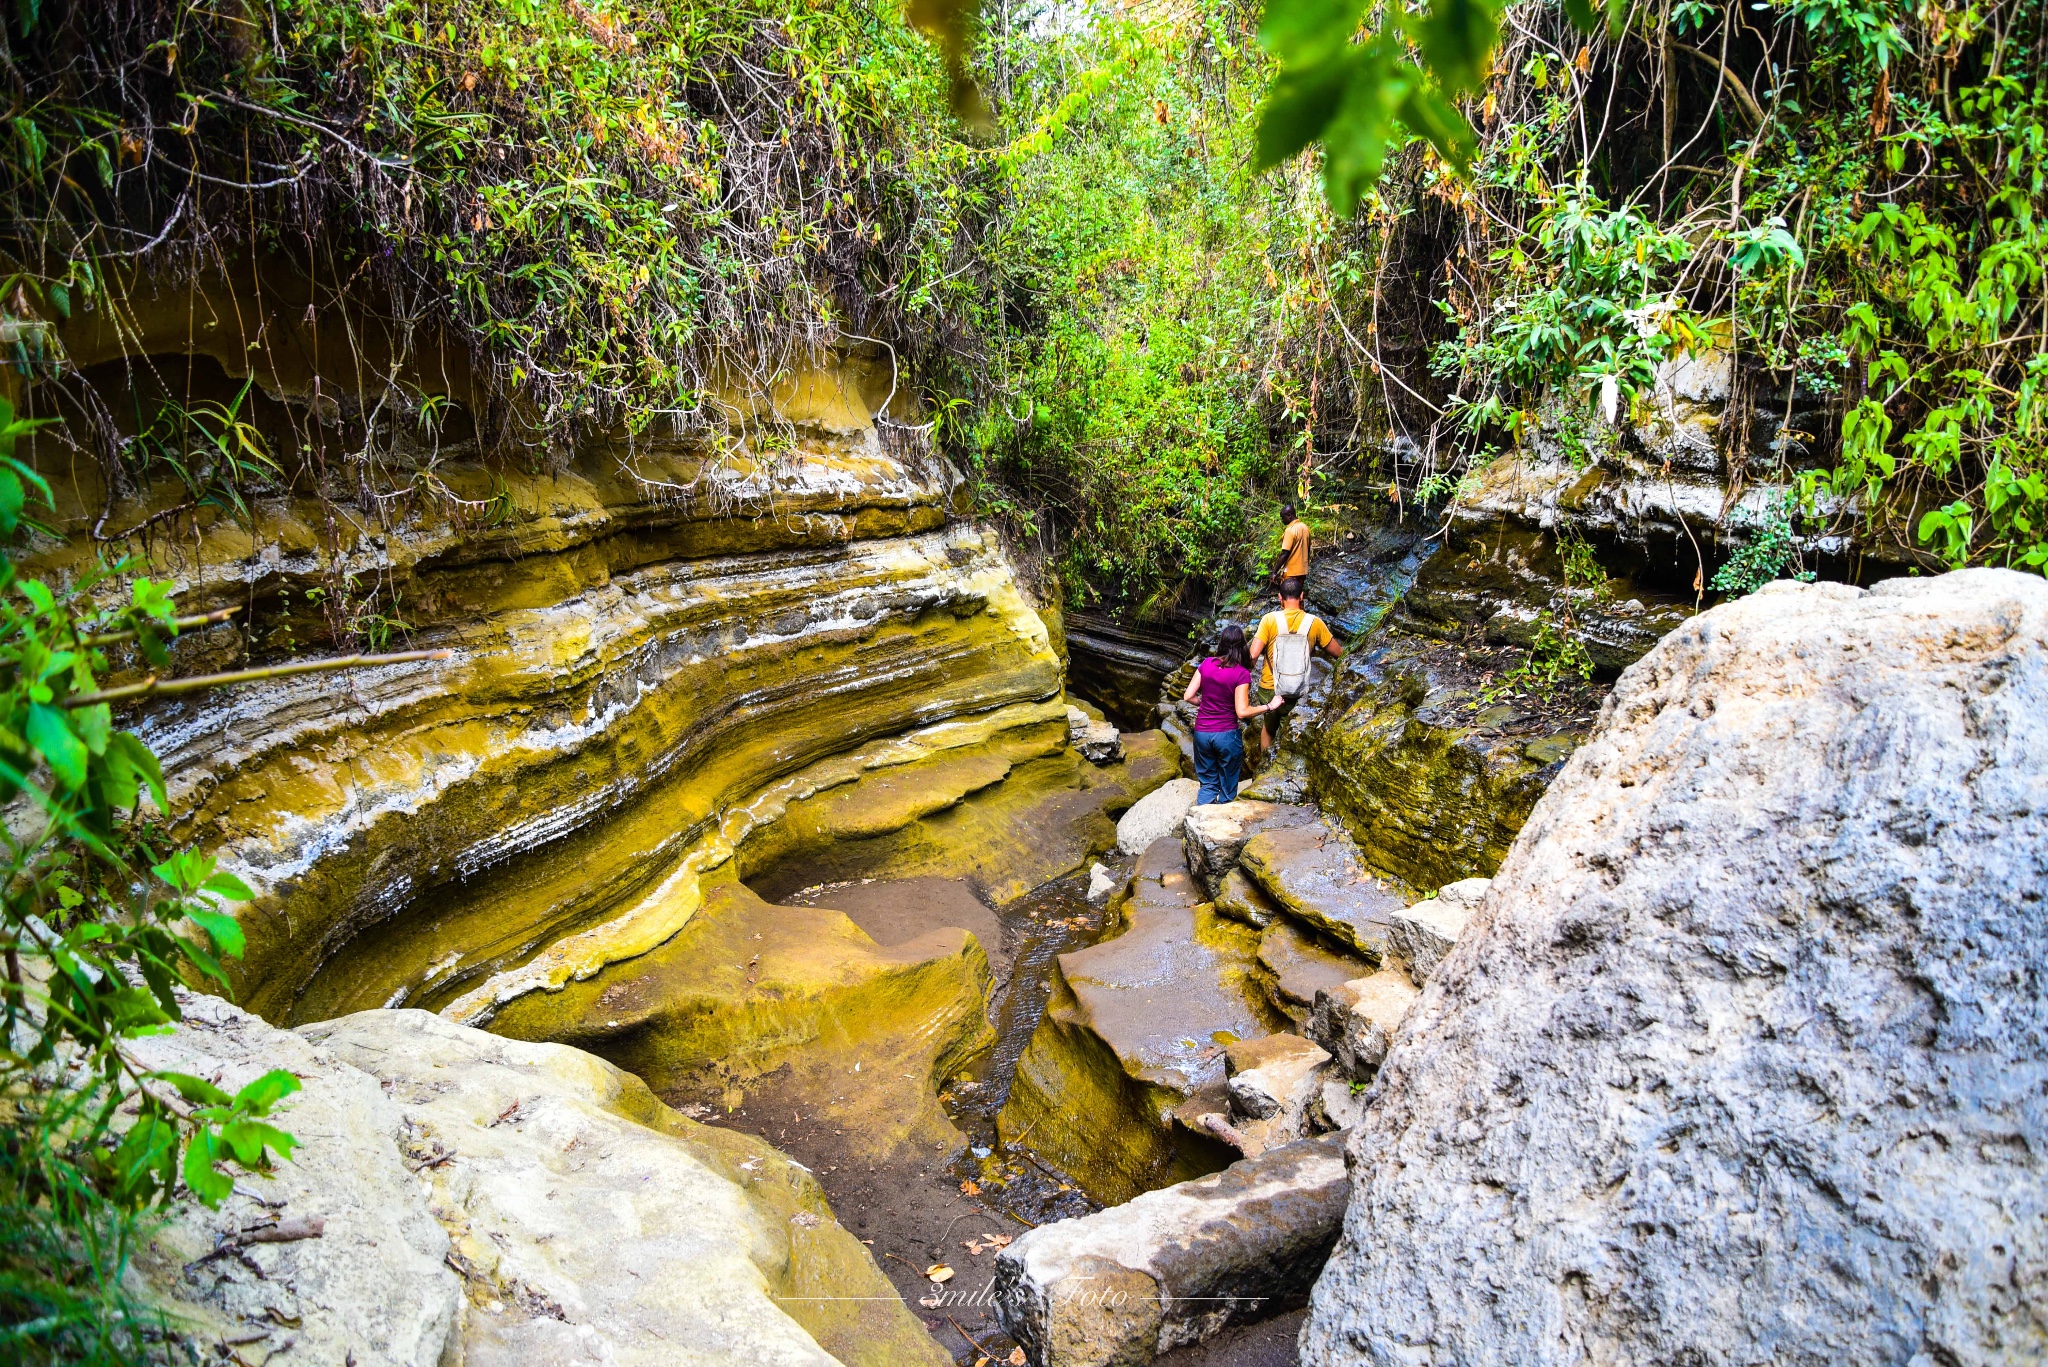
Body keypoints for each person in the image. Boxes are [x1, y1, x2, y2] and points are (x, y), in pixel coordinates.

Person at [1249, 576, 1343, 762]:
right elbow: (1339, 653)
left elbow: (1253, 656)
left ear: (1279, 598)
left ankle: (1264, 770)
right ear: (1302, 596)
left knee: (1268, 729)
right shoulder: (1314, 623)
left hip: (1270, 689)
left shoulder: (1269, 620)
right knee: (1289, 733)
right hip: (1297, 691)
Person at [1182, 623, 1272, 805]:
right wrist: (1269, 706)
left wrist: (1204, 702)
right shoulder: (1241, 674)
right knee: (1228, 787)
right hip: (1226, 735)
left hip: (1202, 734)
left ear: (1221, 643)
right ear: (1242, 647)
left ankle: (1202, 820)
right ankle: (1219, 824)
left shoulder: (1207, 664)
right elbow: (1242, 711)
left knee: (1207, 784)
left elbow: (1188, 696)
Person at [1268, 504, 1311, 590]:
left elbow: (1285, 553)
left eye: (1283, 517)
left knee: (1288, 598)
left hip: (1291, 572)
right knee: (1298, 596)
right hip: (1303, 571)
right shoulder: (1305, 528)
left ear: (1289, 515)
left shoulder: (1290, 530)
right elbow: (1308, 549)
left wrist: (1274, 572)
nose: (1282, 520)